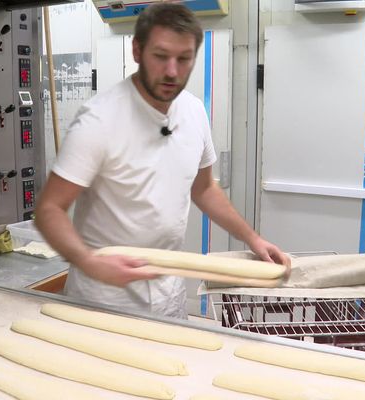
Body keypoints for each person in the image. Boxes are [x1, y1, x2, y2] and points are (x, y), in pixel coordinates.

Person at [35, 3, 290, 319]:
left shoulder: (194, 111)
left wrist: (252, 238)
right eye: (161, 56)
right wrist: (88, 261)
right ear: (137, 50)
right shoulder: (99, 121)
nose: (172, 71)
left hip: (168, 292)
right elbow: (49, 210)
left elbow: (204, 188)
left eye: (184, 59)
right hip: (105, 299)